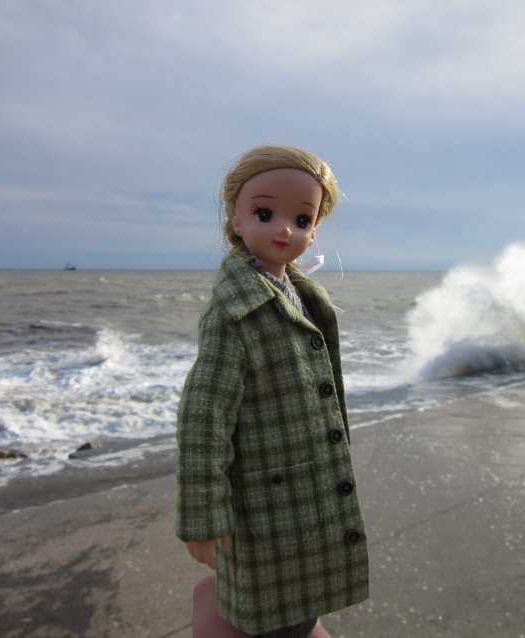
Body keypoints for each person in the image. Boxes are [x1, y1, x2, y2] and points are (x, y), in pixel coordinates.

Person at [176, 145, 369, 638]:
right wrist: (202, 513)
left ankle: (218, 605)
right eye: (265, 213)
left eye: (302, 219)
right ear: (236, 220)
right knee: (284, 616)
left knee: (298, 605)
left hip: (296, 492)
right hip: (268, 503)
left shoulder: (296, 294)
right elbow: (204, 415)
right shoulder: (234, 314)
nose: (285, 229)